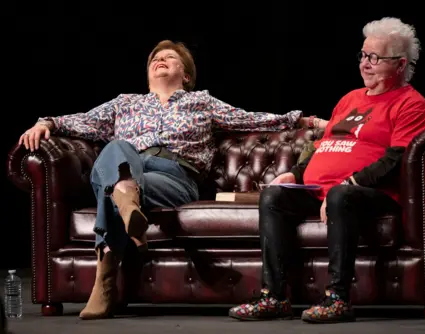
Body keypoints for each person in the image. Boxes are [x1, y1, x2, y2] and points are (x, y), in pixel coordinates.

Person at [18, 40, 327, 320]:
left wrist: (306, 120)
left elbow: (251, 117)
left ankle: (107, 272)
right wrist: (44, 123)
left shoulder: (202, 103)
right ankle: (126, 199)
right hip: (129, 165)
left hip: (174, 177)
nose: (160, 59)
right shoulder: (124, 103)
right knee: (117, 150)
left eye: (169, 57)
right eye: (155, 57)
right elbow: (80, 120)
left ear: (187, 75)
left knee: (109, 182)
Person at [229, 17, 425, 323]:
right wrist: (297, 174)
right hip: (324, 190)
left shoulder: (410, 104)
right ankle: (273, 296)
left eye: (375, 58)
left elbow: (397, 159)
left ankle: (337, 298)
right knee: (274, 196)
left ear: (399, 65)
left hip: (371, 193)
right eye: (363, 55)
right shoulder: (350, 100)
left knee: (342, 196)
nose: (365, 64)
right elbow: (324, 146)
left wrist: (349, 182)